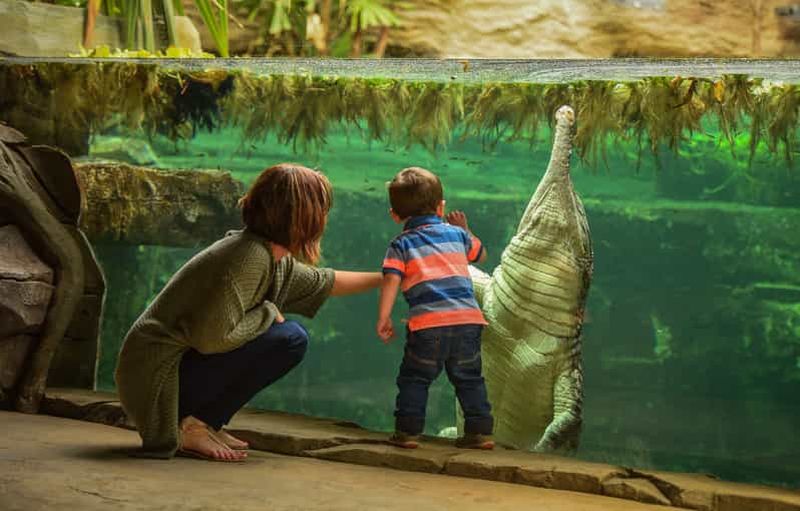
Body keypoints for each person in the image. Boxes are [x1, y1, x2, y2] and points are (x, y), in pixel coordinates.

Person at [115, 163, 382, 462]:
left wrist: (390, 276)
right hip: (157, 380)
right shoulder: (249, 258)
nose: (324, 218)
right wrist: (267, 311)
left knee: (289, 337)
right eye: (321, 209)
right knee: (288, 338)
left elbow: (324, 282)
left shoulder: (268, 255)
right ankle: (192, 426)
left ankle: (205, 422)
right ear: (301, 215)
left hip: (174, 371)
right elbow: (211, 340)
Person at [377, 166, 495, 450]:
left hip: (428, 326)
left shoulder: (401, 244)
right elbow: (480, 254)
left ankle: (407, 433)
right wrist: (466, 230)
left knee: (415, 379)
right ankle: (480, 433)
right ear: (441, 207)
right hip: (468, 322)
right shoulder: (456, 235)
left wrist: (384, 317)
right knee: (469, 379)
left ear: (395, 215)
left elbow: (391, 280)